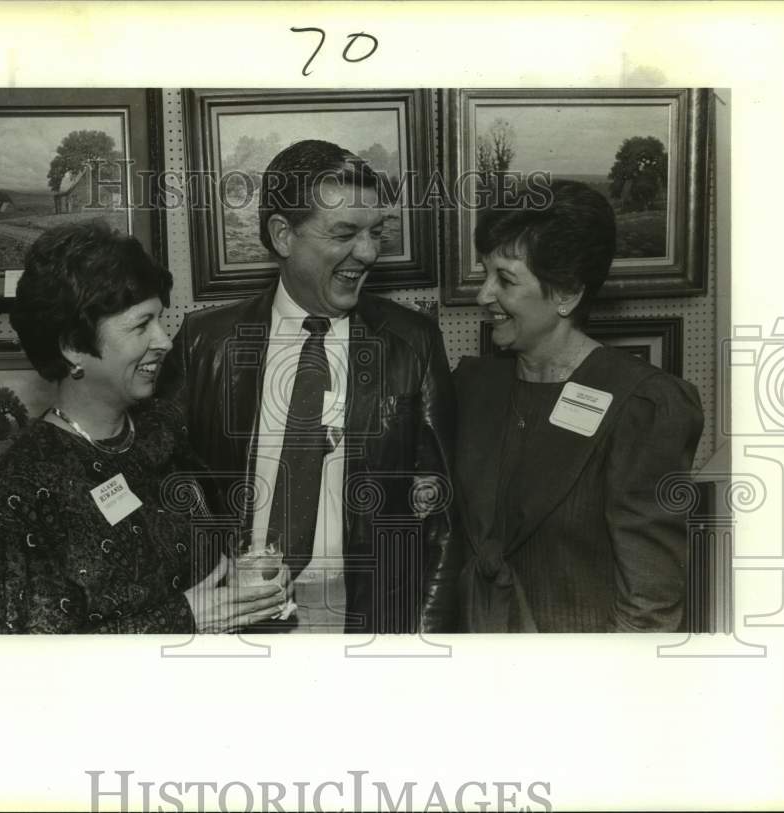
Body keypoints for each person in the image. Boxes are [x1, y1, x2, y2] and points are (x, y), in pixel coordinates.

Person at [158, 139, 458, 634]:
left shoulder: (413, 342)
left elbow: (441, 519)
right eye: (344, 233)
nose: (366, 253)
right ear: (283, 235)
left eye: (375, 233)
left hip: (362, 613)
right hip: (229, 610)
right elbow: (164, 490)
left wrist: (427, 642)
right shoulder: (204, 342)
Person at [0, 220, 288, 634]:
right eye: (142, 325)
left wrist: (247, 580)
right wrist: (184, 619)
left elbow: (202, 553)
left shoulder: (161, 428)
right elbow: (26, 665)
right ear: (74, 346)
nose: (164, 340)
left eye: (160, 320)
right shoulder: (30, 483)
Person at [453, 180, 704, 633]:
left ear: (567, 292)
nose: (482, 295)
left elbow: (649, 607)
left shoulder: (642, 405)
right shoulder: (472, 387)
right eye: (485, 273)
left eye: (505, 279)